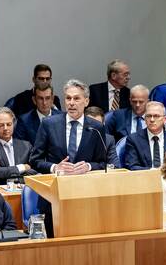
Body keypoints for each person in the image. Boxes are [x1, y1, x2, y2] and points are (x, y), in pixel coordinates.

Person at [29, 79, 108, 237]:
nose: (71, 103)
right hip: (53, 198)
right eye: (68, 98)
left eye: (76, 98)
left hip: (86, 198)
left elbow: (103, 163)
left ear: (86, 101)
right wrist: (54, 167)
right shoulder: (49, 124)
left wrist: (88, 167)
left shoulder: (96, 128)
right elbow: (34, 160)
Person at [0, 108, 36, 185]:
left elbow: (34, 171)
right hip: (0, 190)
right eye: (0, 125)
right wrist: (22, 168)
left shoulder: (26, 146)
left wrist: (3, 171)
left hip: (23, 188)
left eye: (9, 124)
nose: (5, 128)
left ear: (14, 124)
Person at [123, 101, 166, 170]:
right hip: (144, 176)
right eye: (148, 116)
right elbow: (131, 166)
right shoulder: (133, 140)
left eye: (156, 116)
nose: (152, 119)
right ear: (145, 119)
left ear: (165, 120)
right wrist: (152, 171)